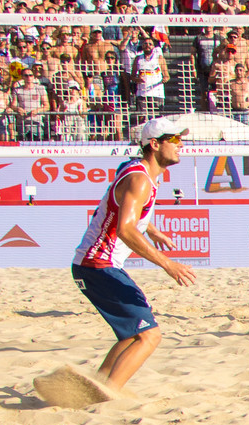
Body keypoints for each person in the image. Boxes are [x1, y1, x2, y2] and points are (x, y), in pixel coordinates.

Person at [70, 117, 196, 391]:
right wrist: (168, 264)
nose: (181, 145)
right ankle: (106, 396)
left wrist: (151, 229)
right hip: (97, 264)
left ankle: (91, 388)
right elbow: (125, 230)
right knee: (149, 336)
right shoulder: (139, 179)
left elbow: (124, 207)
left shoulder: (139, 171)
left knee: (131, 335)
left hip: (95, 264)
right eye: (174, 139)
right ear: (154, 144)